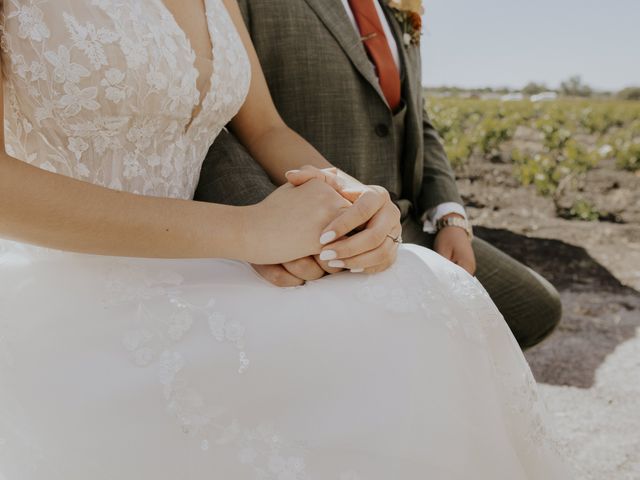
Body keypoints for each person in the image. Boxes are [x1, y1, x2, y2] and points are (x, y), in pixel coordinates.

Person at [0, 0, 571, 478]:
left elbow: (267, 128)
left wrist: (355, 203)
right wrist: (248, 231)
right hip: (62, 290)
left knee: (429, 295)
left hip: (206, 264)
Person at [197, 0, 562, 349]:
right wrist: (270, 228)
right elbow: (216, 120)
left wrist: (448, 215)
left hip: (404, 221)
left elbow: (418, 118)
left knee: (533, 308)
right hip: (318, 233)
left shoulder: (397, 6)